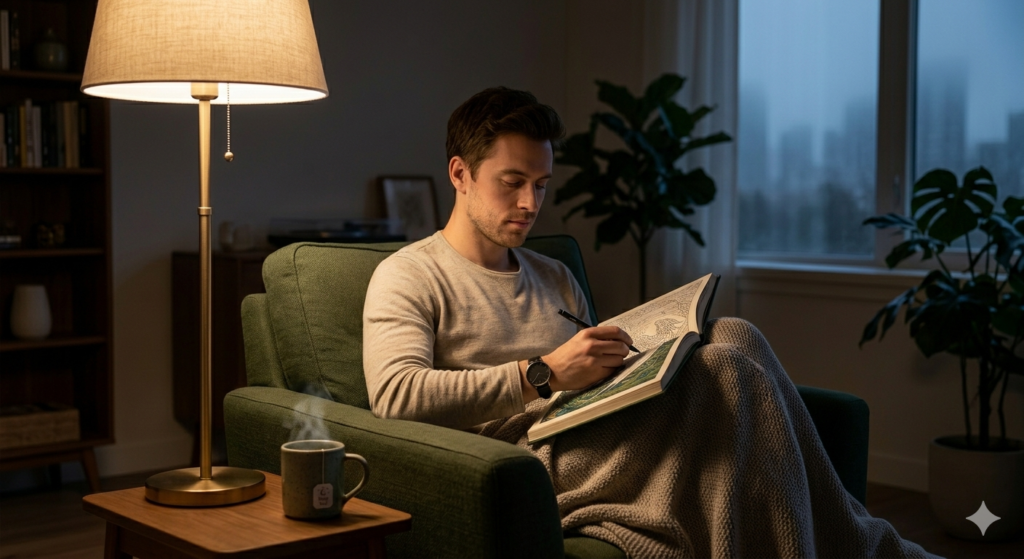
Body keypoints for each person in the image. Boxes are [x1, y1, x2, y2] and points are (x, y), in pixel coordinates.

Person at [363, 87, 938, 558]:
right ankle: (870, 548)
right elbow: (394, 397)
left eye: (541, 185)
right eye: (511, 182)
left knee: (735, 335)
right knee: (726, 378)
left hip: (587, 427)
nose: (530, 204)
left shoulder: (553, 272)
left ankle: (857, 543)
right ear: (460, 173)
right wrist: (542, 373)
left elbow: (589, 382)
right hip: (522, 454)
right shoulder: (409, 274)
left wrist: (632, 360)